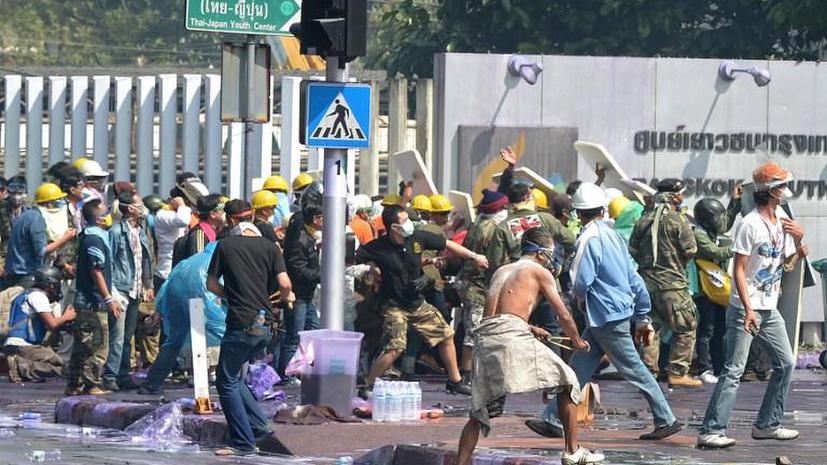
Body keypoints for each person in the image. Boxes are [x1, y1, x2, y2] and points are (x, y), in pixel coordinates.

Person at [525, 183, 681, 442]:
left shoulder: (588, 238)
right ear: (603, 209)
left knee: (634, 369)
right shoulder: (613, 236)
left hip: (605, 316)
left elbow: (581, 282)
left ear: (577, 213)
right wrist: (642, 313)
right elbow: (633, 278)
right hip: (609, 315)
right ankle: (552, 418)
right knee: (578, 368)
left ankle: (666, 418)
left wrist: (578, 301)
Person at [457, 227, 600, 465]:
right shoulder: (539, 271)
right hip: (510, 336)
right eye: (551, 253)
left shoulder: (501, 270)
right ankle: (573, 451)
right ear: (541, 253)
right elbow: (563, 314)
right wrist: (576, 341)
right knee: (569, 381)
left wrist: (531, 328)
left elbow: (499, 315)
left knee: (478, 411)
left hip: (486, 336)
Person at [697, 161, 807, 449]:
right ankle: (711, 430)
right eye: (781, 185)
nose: (785, 190)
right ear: (770, 191)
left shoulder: (781, 218)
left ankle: (767, 424)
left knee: (785, 363)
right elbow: (739, 271)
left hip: (769, 308)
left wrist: (799, 240)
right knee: (734, 370)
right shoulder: (749, 224)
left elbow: (786, 265)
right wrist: (747, 309)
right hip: (747, 308)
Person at [355, 205, 488, 397]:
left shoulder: (417, 237)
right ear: (394, 227)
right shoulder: (378, 248)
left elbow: (447, 244)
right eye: (404, 220)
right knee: (396, 347)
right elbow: (355, 259)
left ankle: (455, 381)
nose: (408, 224)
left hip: (417, 303)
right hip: (394, 306)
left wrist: (474, 256)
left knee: (446, 335)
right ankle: (368, 385)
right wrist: (372, 269)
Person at [207, 212, 294, 456]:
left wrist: (231, 296)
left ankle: (243, 442)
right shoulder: (270, 247)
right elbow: (285, 285)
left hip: (241, 321)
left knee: (225, 381)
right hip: (266, 323)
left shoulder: (225, 245)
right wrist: (287, 297)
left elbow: (211, 285)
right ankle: (258, 426)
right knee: (235, 377)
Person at [629, 178, 700, 388]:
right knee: (687, 326)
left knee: (652, 327)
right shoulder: (678, 220)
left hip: (646, 284)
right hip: (672, 284)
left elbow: (632, 249)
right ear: (675, 196)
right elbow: (691, 250)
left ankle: (648, 372)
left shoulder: (644, 219)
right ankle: (677, 372)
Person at [66, 199, 121, 396]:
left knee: (82, 344)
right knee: (97, 344)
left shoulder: (90, 237)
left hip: (88, 300)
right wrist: (108, 299)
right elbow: (96, 271)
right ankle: (92, 384)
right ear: (98, 217)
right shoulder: (94, 239)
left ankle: (75, 384)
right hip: (93, 301)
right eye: (105, 211)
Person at [102, 193, 153, 391]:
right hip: (121, 289)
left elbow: (146, 259)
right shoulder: (116, 232)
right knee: (117, 336)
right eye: (139, 204)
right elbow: (110, 263)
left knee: (128, 337)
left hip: (136, 290)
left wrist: (148, 285)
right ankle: (110, 376)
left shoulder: (141, 231)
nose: (143, 207)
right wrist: (111, 292)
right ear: (131, 208)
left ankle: (123, 374)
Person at [457, 189, 509, 382]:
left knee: (473, 328)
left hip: (472, 283)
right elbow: (496, 259)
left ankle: (471, 372)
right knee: (474, 331)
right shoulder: (490, 228)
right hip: (478, 285)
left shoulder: (477, 222)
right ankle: (466, 375)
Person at [3, 266, 76, 383]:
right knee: (62, 368)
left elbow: (47, 324)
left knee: (54, 359)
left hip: (14, 344)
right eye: (56, 284)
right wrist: (67, 316)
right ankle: (21, 367)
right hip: (24, 345)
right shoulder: (39, 296)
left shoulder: (26, 294)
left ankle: (20, 364)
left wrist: (65, 324)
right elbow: (52, 324)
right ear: (49, 284)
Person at [275, 203, 323, 380]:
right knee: (293, 336)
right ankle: (286, 375)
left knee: (314, 330)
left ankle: (302, 368)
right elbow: (298, 270)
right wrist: (321, 275)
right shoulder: (300, 240)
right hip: (297, 296)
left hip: (306, 295)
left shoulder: (308, 237)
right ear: (316, 219)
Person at [691, 197, 737, 384]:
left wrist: (736, 201)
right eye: (715, 218)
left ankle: (719, 367)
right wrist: (740, 248)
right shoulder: (699, 235)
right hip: (704, 289)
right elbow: (715, 252)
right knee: (706, 329)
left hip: (715, 287)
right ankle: (704, 367)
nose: (719, 222)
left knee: (720, 328)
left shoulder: (709, 231)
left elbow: (724, 225)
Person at [5, 183, 76, 289]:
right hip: (25, 276)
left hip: (19, 273)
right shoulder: (36, 219)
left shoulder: (29, 215)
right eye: (57, 203)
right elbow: (41, 251)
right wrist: (65, 238)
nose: (61, 206)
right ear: (48, 204)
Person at [173, 193, 225, 267]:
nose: (225, 213)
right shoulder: (199, 234)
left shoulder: (219, 232)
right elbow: (199, 264)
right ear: (212, 214)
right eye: (222, 209)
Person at [0, 176, 31, 275]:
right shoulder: (2, 209)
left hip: (26, 262)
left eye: (20, 193)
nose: (16, 197)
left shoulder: (32, 209)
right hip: (5, 260)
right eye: (13, 193)